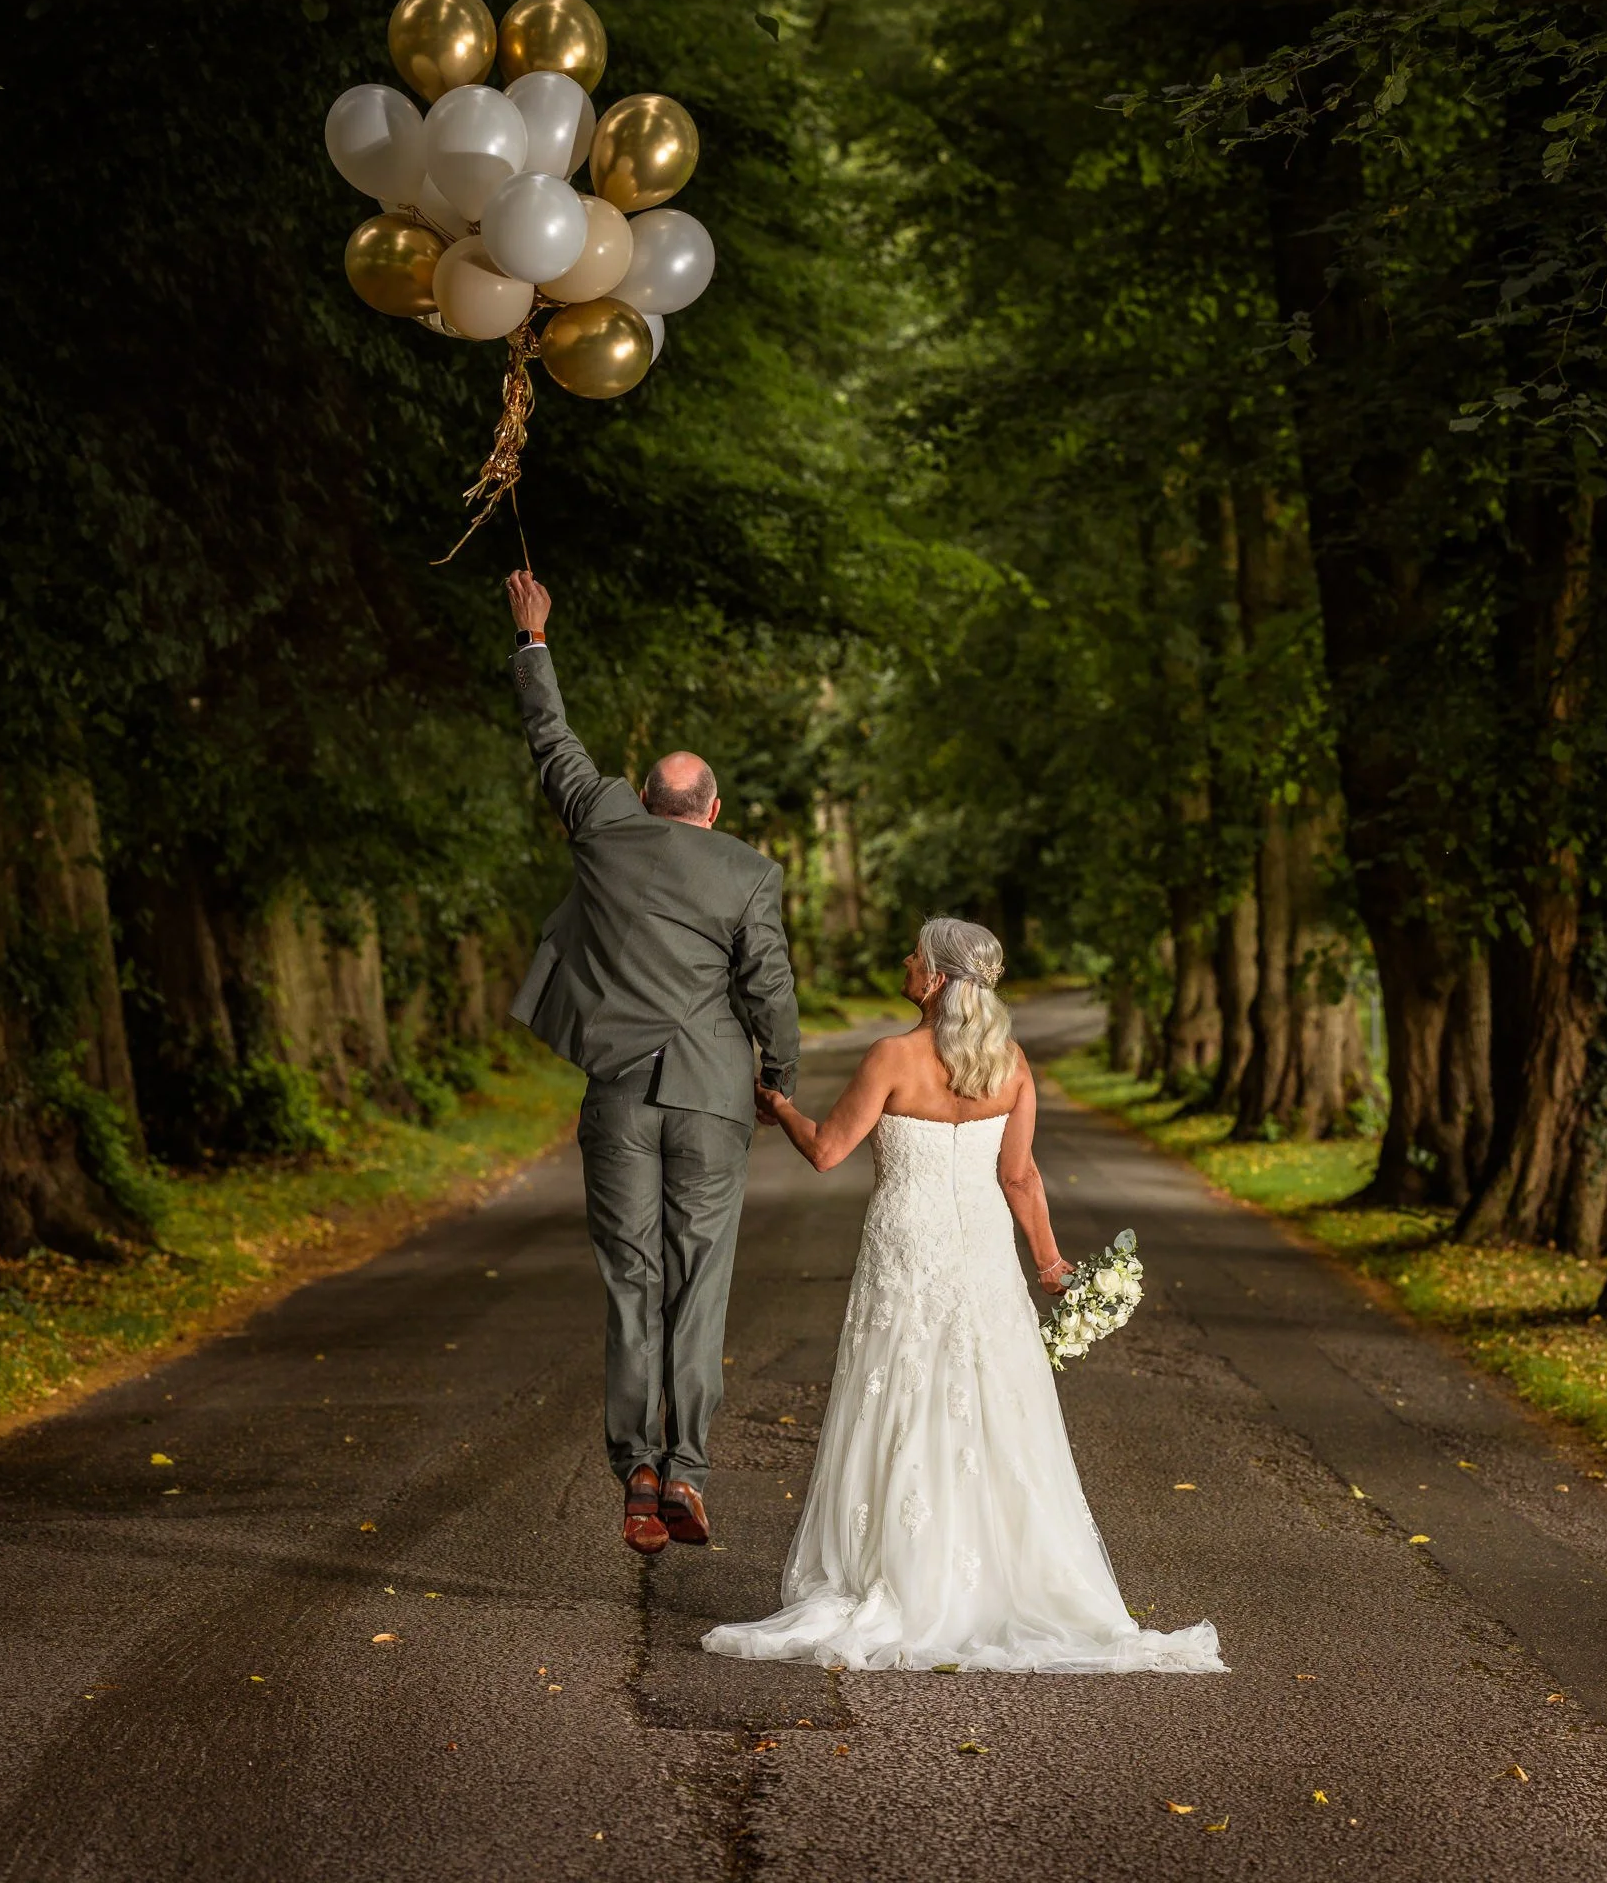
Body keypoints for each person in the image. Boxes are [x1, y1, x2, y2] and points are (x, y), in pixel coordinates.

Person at [703, 917, 1224, 1674]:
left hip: (906, 1250)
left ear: (938, 978)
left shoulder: (891, 1058)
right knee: (988, 1403)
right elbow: (1020, 1177)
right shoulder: (1008, 1064)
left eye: (915, 956)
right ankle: (992, 1576)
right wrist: (1050, 1265)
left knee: (902, 1397)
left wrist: (778, 1106)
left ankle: (904, 1573)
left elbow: (825, 1153)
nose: (906, 962)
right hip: (982, 1252)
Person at [503, 568, 800, 1556]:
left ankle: (635, 1465)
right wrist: (780, 1078)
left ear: (643, 798)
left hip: (621, 1097)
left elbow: (553, 743)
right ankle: (689, 1472)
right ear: (713, 811)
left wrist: (534, 637)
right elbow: (769, 985)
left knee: (632, 1278)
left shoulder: (606, 826)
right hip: (713, 1097)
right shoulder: (750, 872)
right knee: (700, 1279)